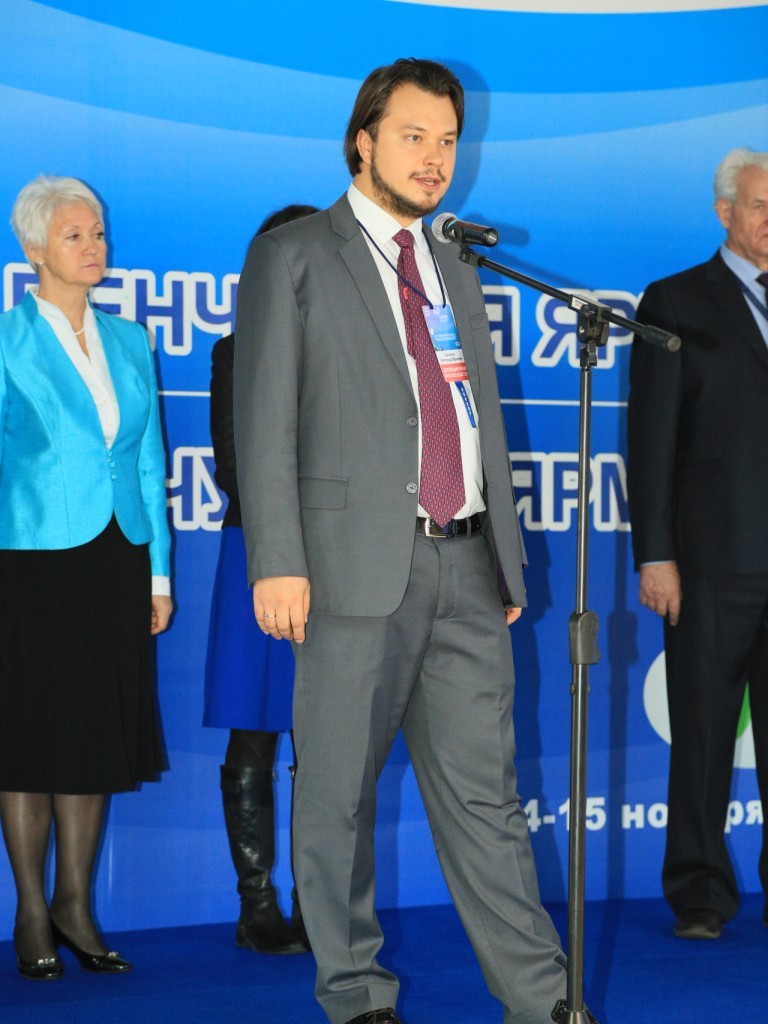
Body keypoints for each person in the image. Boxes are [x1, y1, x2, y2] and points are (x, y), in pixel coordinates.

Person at [234, 59, 572, 1024]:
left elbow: (477, 415)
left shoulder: (455, 261)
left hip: (466, 563)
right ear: (364, 141)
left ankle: (543, 1000)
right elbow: (265, 419)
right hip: (347, 570)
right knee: (335, 798)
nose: (434, 158)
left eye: (448, 140)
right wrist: (278, 560)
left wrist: (504, 553)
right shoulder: (296, 254)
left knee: (487, 802)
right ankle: (356, 995)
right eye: (413, 136)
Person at [0, 175, 172, 979]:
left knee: (93, 732)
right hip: (29, 562)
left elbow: (149, 463)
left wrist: (158, 576)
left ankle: (75, 903)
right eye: (75, 235)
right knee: (29, 733)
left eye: (98, 232)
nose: (94, 246)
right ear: (34, 248)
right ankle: (31, 911)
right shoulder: (7, 340)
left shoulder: (130, 340)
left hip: (115, 557)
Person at [627, 148, 768, 941]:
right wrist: (656, 554)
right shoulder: (675, 301)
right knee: (705, 735)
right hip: (712, 562)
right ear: (725, 212)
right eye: (760, 205)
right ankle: (700, 892)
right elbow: (650, 440)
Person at [204, 203, 318, 956]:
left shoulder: (360, 349)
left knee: (327, 737)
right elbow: (234, 467)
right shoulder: (235, 352)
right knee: (253, 728)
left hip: (346, 563)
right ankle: (256, 905)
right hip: (261, 553)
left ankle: (319, 904)